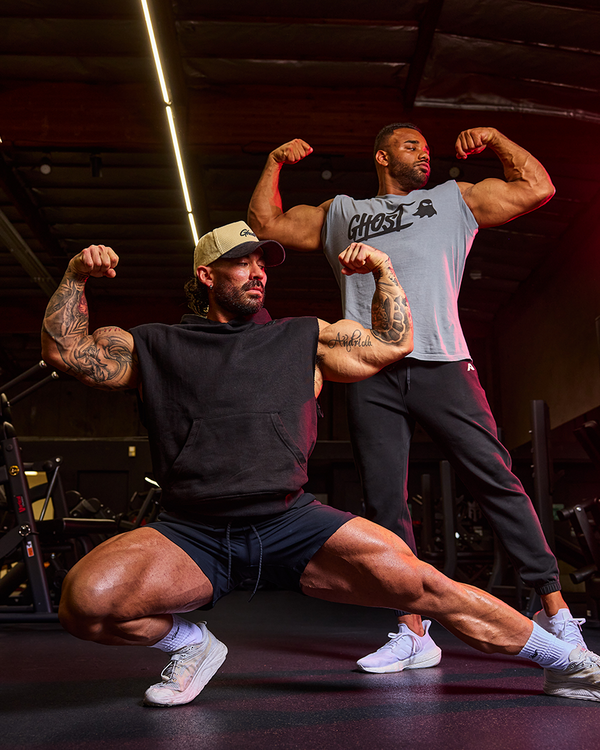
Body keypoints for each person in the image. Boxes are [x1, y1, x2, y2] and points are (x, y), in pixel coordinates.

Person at [40, 221, 600, 708]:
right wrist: (75, 275)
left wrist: (382, 270)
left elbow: (392, 344)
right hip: (193, 531)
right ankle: (191, 644)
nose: (258, 273)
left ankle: (569, 664)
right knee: (84, 604)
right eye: (242, 263)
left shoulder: (303, 337)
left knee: (428, 586)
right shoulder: (154, 346)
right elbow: (66, 352)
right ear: (207, 275)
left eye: (262, 263)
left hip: (291, 521)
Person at [247, 125, 586, 673]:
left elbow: (536, 189)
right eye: (411, 146)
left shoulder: (453, 200)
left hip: (443, 361)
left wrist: (497, 139)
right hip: (369, 369)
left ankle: (557, 613)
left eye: (426, 148)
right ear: (381, 156)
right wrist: (274, 161)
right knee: (385, 501)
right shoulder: (342, 212)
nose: (424, 153)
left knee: (495, 478)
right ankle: (412, 630)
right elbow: (265, 225)